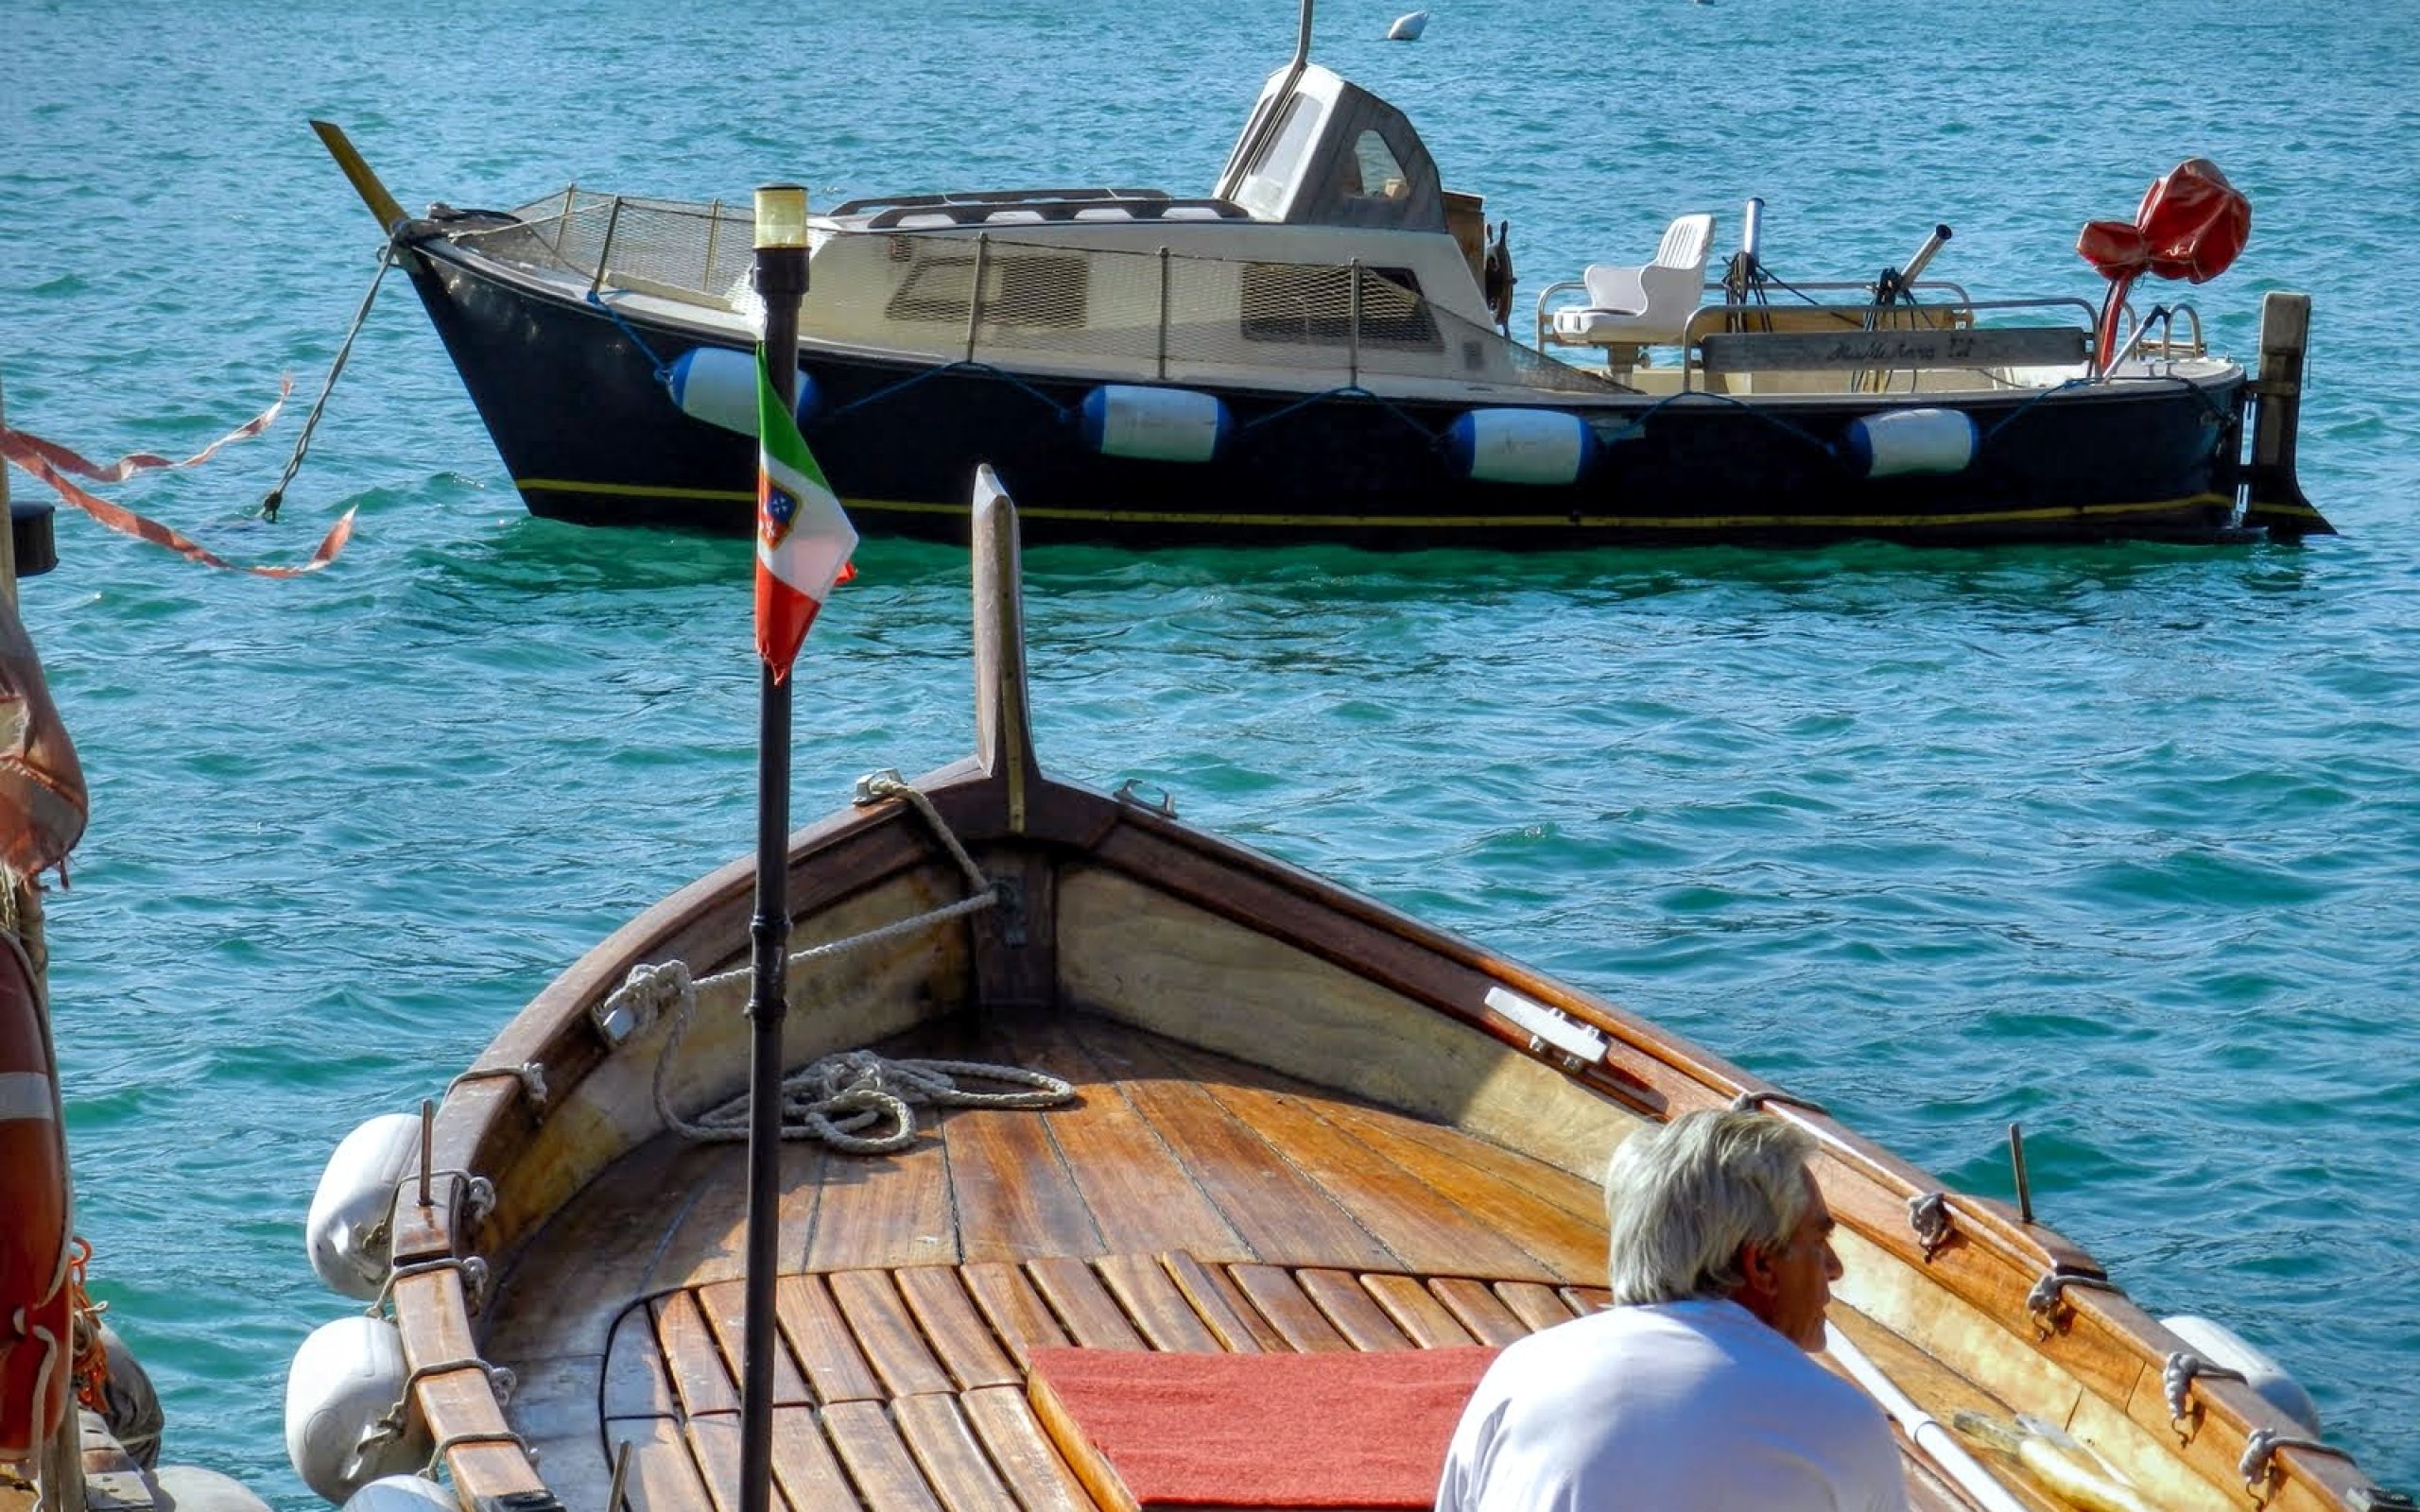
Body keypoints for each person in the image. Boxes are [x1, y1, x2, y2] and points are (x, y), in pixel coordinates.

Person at [1435, 1108, 1909, 1512]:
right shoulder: (1840, 1421)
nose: (1834, 1267)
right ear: (1761, 1263)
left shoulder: (1522, 1371)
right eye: (1818, 1240)